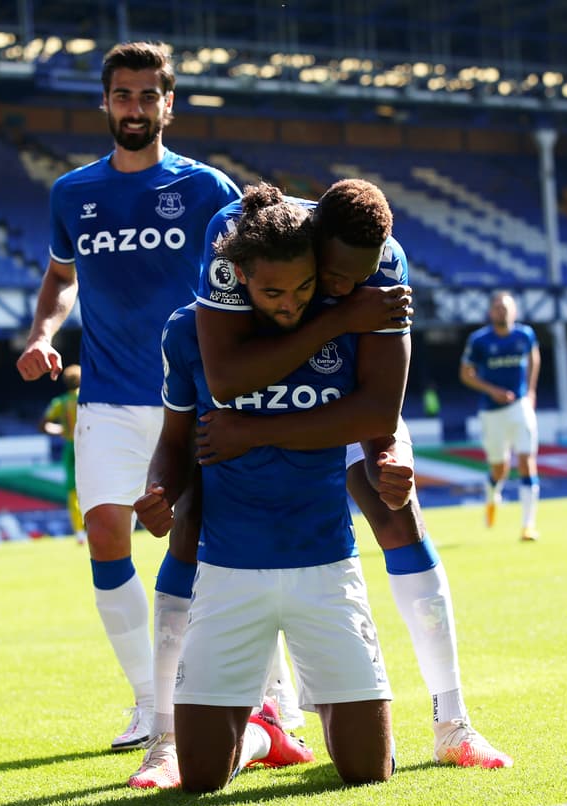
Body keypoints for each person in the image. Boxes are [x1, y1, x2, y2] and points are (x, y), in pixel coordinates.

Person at [191, 179, 512, 772]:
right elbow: (226, 378)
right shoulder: (237, 235)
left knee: (397, 504)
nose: (348, 288)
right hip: (252, 403)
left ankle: (453, 721)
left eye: (359, 280)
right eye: (335, 277)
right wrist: (338, 322)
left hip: (327, 403)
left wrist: (389, 452)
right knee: (219, 524)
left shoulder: (384, 261)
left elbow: (378, 410)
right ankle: (254, 709)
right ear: (312, 241)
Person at [14, 41, 247, 752]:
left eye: (150, 95)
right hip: (109, 397)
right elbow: (60, 277)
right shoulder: (73, 193)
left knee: (215, 547)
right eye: (124, 94)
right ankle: (152, 702)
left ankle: (264, 696)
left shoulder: (209, 189)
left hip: (195, 397)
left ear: (169, 104)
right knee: (108, 534)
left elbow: (253, 274)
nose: (136, 107)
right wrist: (42, 332)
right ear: (105, 103)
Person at [136, 186, 401, 791]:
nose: (291, 303)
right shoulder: (189, 334)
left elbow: (381, 416)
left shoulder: (350, 320)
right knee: (202, 779)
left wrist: (252, 432)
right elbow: (177, 441)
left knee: (367, 771)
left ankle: (271, 728)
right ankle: (263, 733)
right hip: (229, 571)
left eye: (304, 287)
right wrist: (159, 490)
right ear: (241, 279)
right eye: (272, 292)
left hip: (327, 564)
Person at [459, 290, 541, 541]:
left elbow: (534, 358)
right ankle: (492, 492)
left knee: (527, 460)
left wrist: (530, 391)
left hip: (519, 406)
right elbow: (466, 373)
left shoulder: (525, 335)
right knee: (500, 468)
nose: (501, 310)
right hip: (491, 412)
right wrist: (492, 390)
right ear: (490, 312)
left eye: (506, 307)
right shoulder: (479, 340)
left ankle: (528, 525)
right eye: (497, 307)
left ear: (514, 311)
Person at [41, 363, 87, 544]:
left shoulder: (60, 402)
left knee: (73, 491)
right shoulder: (87, 399)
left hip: (70, 447)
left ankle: (79, 532)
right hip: (90, 446)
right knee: (97, 487)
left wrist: (61, 430)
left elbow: (43, 424)